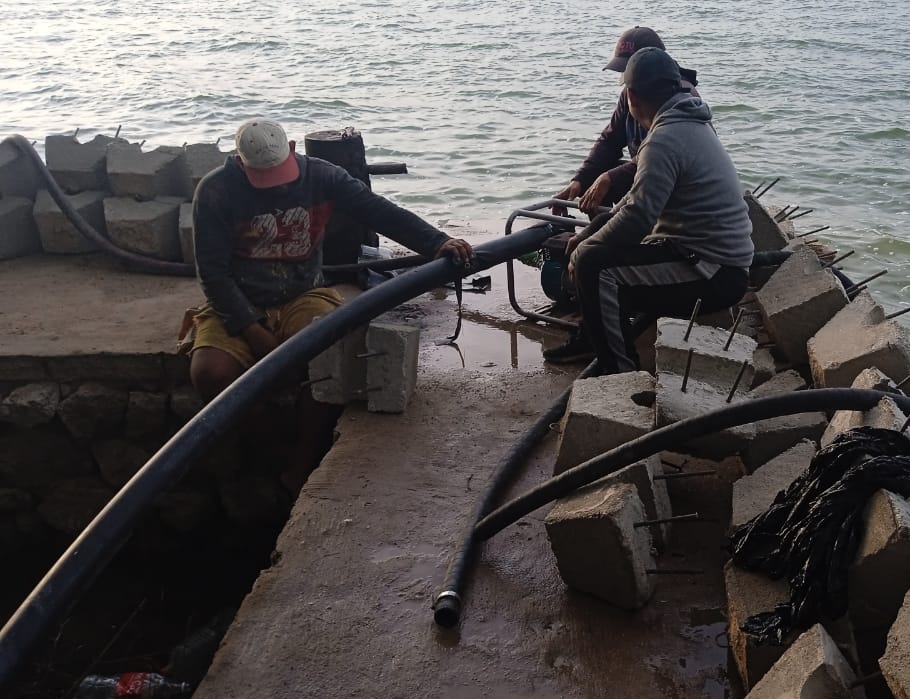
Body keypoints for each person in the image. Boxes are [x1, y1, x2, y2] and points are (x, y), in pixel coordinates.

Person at [189, 118, 473, 494]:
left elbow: (379, 211)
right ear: (239, 163)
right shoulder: (215, 192)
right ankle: (277, 453)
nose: (277, 185)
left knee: (328, 363)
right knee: (209, 372)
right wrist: (253, 330)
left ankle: (302, 465)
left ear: (292, 149)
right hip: (237, 300)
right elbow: (212, 274)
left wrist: (437, 241)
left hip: (304, 294)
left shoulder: (323, 177)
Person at [543, 48, 753, 373]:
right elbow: (635, 201)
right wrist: (590, 232)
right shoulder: (688, 120)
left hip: (712, 271)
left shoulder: (663, 139)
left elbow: (638, 218)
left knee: (594, 266)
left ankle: (621, 373)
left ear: (631, 97)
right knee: (599, 231)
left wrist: (585, 247)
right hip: (710, 259)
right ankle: (595, 340)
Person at [552, 26, 700, 215]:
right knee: (597, 178)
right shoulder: (630, 94)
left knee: (608, 179)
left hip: (675, 187)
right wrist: (580, 180)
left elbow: (660, 155)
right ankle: (604, 237)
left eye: (629, 69)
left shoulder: (682, 99)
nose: (625, 78)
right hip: (644, 175)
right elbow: (611, 139)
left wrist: (610, 178)